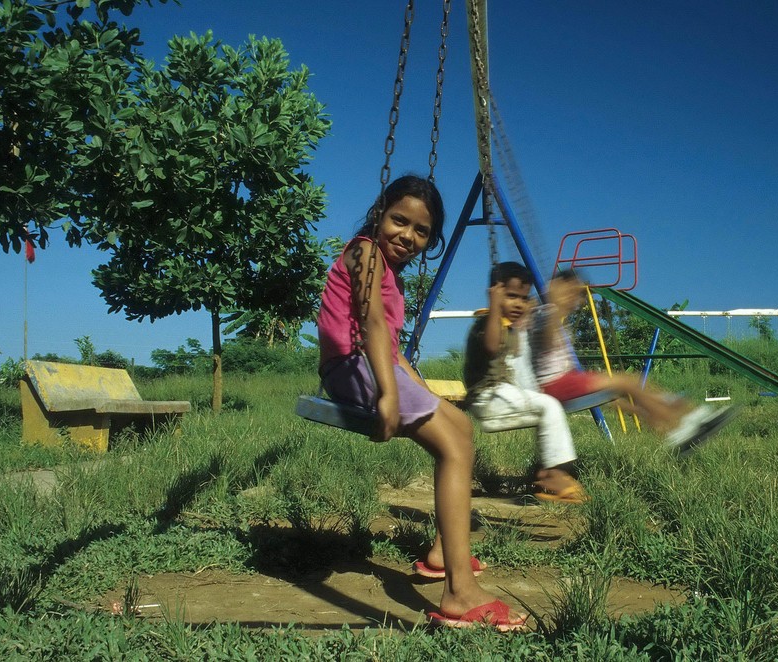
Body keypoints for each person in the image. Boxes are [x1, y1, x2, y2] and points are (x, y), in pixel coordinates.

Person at [316, 175, 525, 631]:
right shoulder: (365, 251)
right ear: (379, 214)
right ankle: (458, 592)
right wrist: (389, 394)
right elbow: (370, 323)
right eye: (399, 220)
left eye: (421, 231)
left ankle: (439, 554)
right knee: (452, 448)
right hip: (353, 370)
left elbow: (392, 350)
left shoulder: (390, 274)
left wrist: (426, 395)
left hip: (373, 365)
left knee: (461, 430)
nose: (408, 236)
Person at [529, 269, 737, 455]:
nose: (579, 300)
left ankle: (688, 415)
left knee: (634, 384)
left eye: (580, 295)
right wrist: (554, 305)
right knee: (628, 382)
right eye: (574, 293)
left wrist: (638, 409)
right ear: (557, 288)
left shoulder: (554, 317)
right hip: (552, 386)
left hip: (565, 381)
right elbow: (545, 343)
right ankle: (680, 428)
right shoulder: (544, 313)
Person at [463, 261, 588, 504]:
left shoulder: (510, 326)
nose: (519, 304)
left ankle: (546, 475)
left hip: (501, 396)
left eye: (523, 298)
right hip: (487, 398)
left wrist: (533, 314)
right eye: (511, 297)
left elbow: (522, 346)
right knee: (548, 406)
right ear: (495, 294)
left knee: (549, 410)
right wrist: (495, 307)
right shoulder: (488, 323)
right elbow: (490, 347)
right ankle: (554, 475)